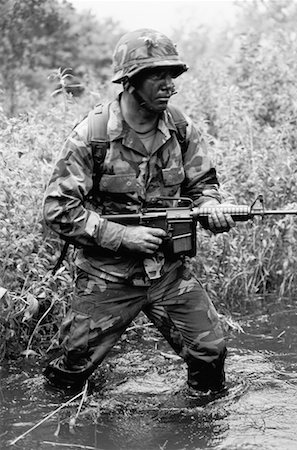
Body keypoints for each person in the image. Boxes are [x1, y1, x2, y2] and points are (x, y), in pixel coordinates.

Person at [43, 28, 235, 395]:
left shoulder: (181, 130)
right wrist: (123, 236)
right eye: (157, 76)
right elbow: (59, 208)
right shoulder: (92, 135)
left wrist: (211, 208)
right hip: (106, 276)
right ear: (130, 81)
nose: (170, 86)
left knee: (210, 352)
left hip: (167, 272)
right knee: (69, 369)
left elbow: (202, 186)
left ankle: (197, 426)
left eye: (172, 76)